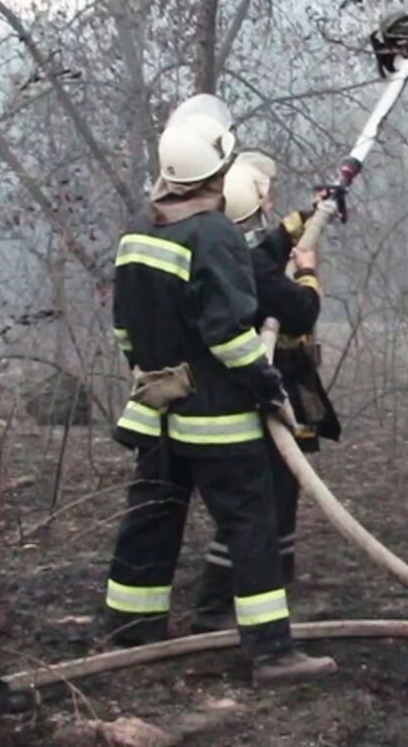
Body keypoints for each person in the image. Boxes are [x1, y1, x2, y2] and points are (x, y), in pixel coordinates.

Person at [103, 97, 336, 684]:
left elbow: (125, 329)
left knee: (151, 521)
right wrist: (267, 388)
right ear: (218, 172)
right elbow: (229, 334)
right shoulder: (215, 237)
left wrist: (153, 375)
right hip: (218, 419)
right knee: (251, 525)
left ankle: (131, 639)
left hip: (157, 411)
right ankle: (272, 651)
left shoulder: (137, 231)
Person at [191, 151, 342, 634]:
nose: (269, 200)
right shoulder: (248, 265)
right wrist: (309, 271)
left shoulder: (234, 250)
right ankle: (218, 601)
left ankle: (278, 577)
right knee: (265, 495)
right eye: (265, 193)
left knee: (281, 489)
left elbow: (268, 247)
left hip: (269, 390)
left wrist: (312, 213)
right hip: (270, 391)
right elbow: (300, 310)